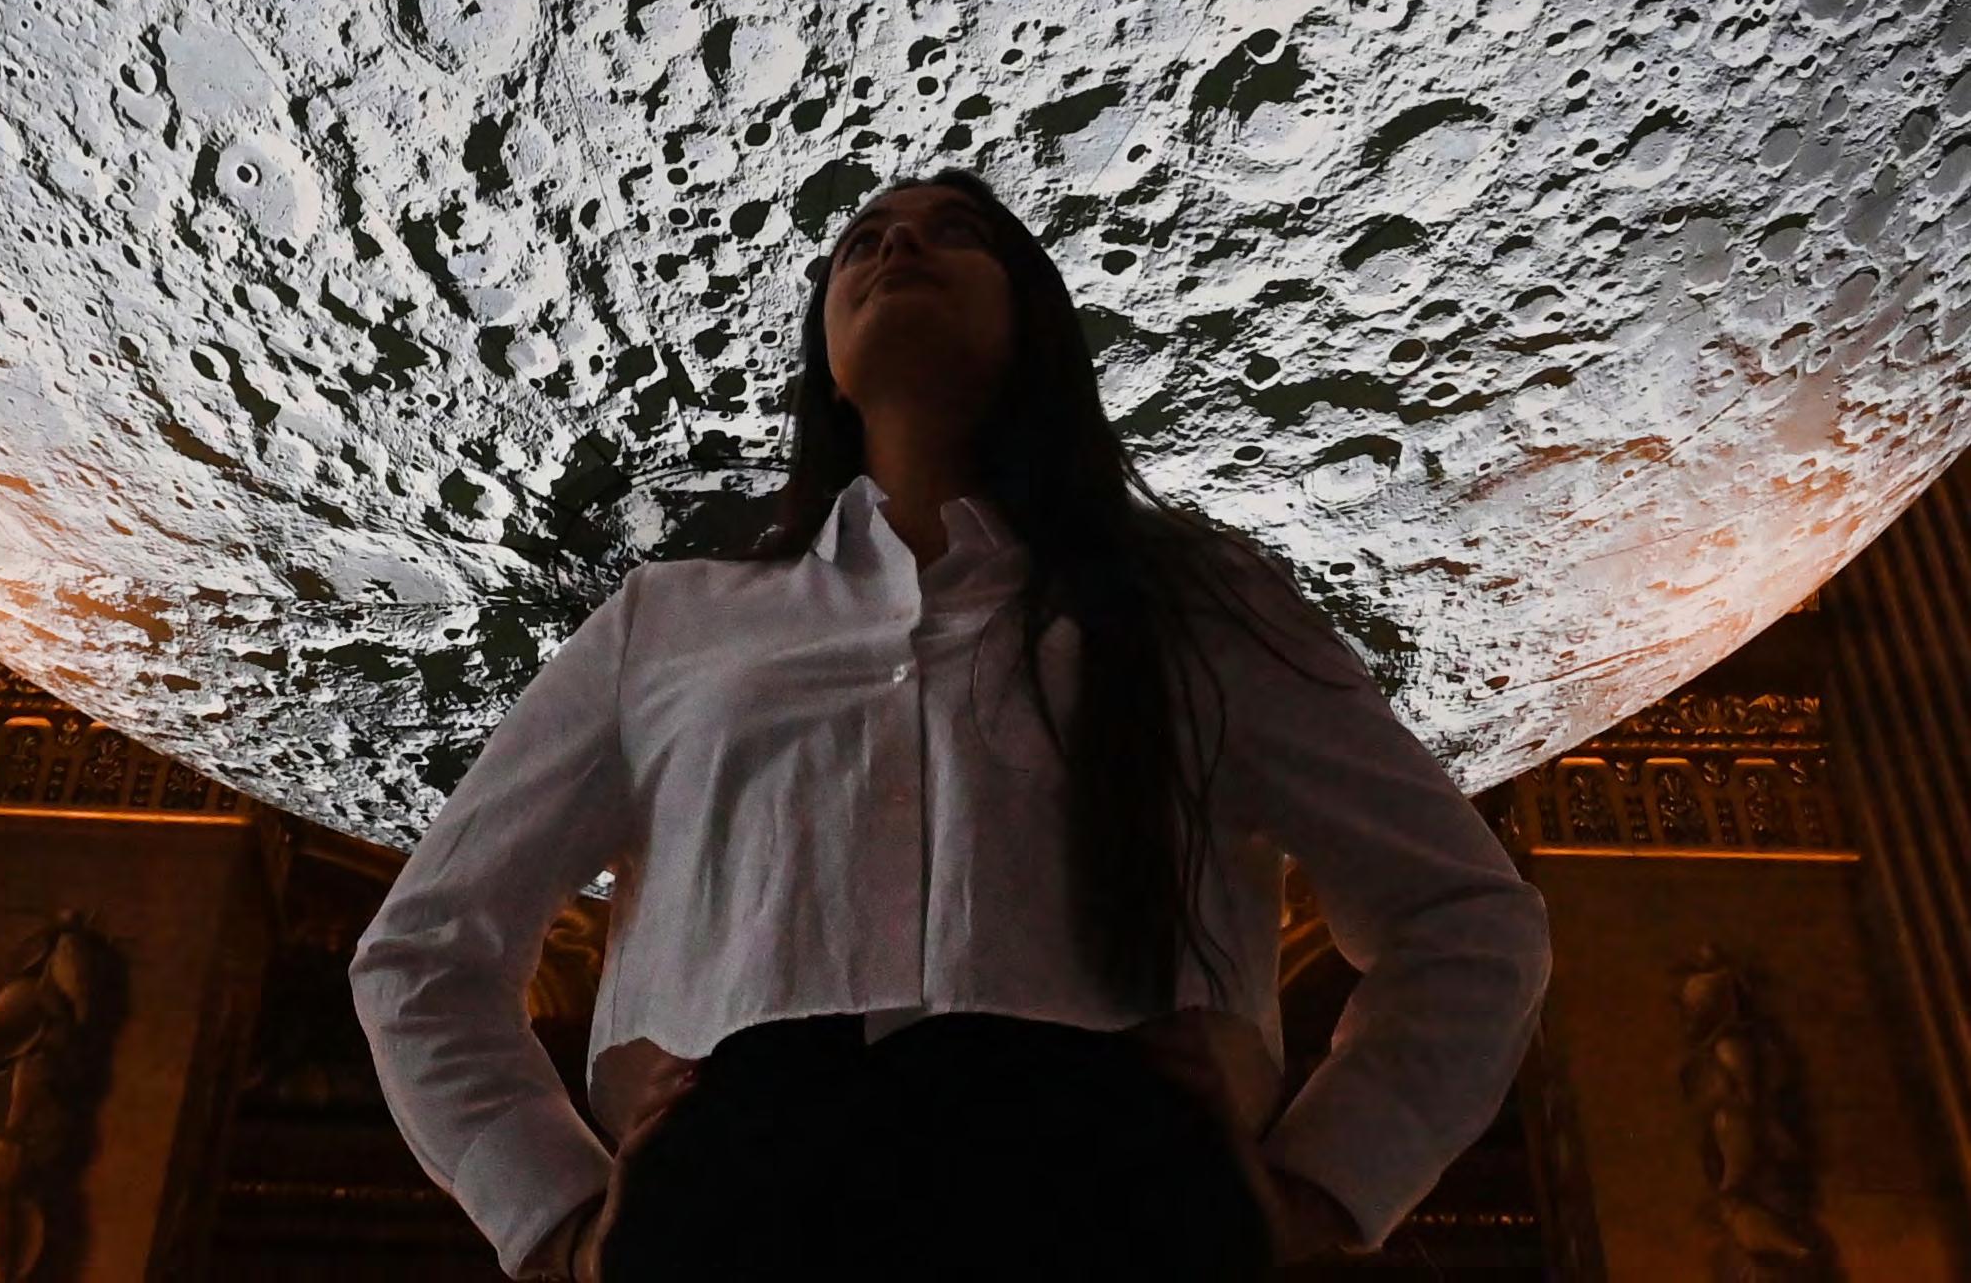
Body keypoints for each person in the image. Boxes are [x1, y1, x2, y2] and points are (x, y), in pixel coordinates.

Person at [350, 165, 1553, 1278]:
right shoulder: (666, 623)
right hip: (740, 1205)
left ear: (1035, 316)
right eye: (861, 241)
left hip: (1110, 1197)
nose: (897, 246)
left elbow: (1460, 914)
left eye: (954, 232)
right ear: (824, 357)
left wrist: (1324, 1182)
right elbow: (426, 949)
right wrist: (557, 1212)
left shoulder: (1197, 606)